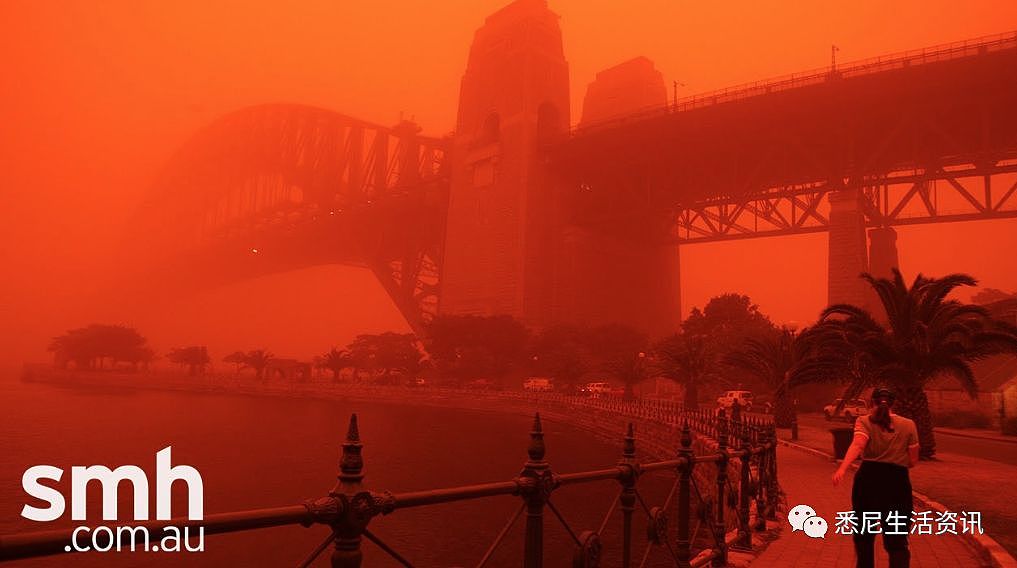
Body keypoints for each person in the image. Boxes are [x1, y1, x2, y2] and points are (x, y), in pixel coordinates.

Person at [832, 388, 919, 568]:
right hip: (897, 482)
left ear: (872, 403)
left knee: (864, 536)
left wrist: (842, 468)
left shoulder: (864, 421)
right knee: (897, 539)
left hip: (868, 481)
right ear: (894, 404)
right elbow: (913, 460)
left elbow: (858, 445)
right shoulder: (909, 424)